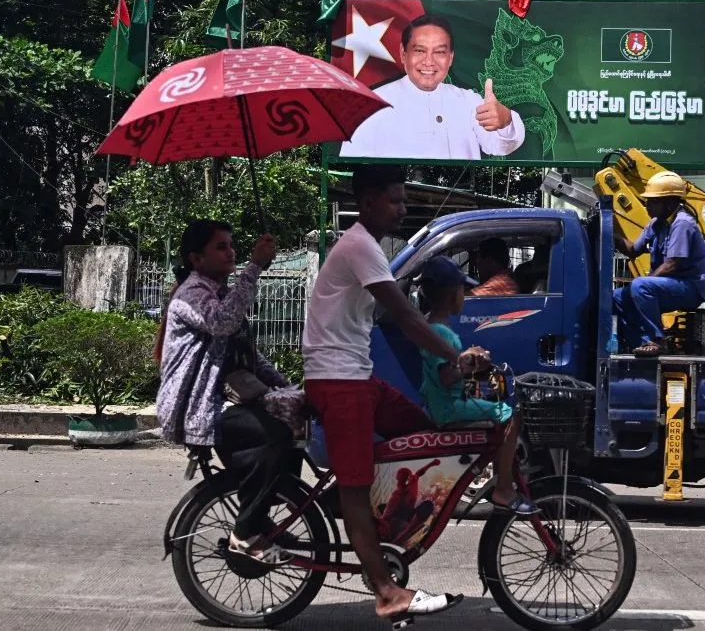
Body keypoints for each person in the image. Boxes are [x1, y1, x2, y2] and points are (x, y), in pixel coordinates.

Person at [301, 165, 478, 623]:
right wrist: (454, 357)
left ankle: (369, 516)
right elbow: (406, 318)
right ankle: (385, 591)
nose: (402, 208)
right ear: (368, 200)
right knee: (357, 490)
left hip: (355, 377)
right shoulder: (360, 245)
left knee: (425, 431)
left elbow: (386, 313)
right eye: (395, 201)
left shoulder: (369, 249)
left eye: (403, 200)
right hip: (339, 382)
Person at [156, 221, 300, 564]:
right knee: (275, 435)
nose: (230, 252)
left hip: (226, 400)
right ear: (196, 258)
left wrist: (288, 386)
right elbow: (223, 322)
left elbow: (249, 356)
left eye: (231, 245)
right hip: (199, 407)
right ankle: (246, 532)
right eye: (220, 247)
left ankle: (262, 511)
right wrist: (254, 267)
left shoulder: (218, 292)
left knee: (297, 419)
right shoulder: (191, 294)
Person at [416, 256, 538, 515]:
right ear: (452, 297)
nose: (465, 296)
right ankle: (504, 488)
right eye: (463, 291)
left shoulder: (431, 326)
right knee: (510, 416)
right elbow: (446, 377)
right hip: (449, 408)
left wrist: (468, 359)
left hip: (440, 404)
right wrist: (470, 363)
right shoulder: (442, 332)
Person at [339, 14, 525, 160]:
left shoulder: (469, 102)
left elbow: (501, 147)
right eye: (419, 51)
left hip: (460, 205)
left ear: (450, 58)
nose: (429, 62)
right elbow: (353, 167)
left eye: (440, 52)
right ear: (403, 54)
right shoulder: (372, 104)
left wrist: (506, 120)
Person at [613, 171, 705, 356]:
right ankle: (642, 345)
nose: (647, 205)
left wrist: (643, 286)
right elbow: (633, 250)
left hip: (690, 287)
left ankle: (657, 340)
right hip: (669, 285)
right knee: (616, 298)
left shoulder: (683, 224)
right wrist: (609, 232)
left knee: (640, 287)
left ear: (670, 203)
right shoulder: (656, 223)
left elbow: (672, 264)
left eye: (653, 201)